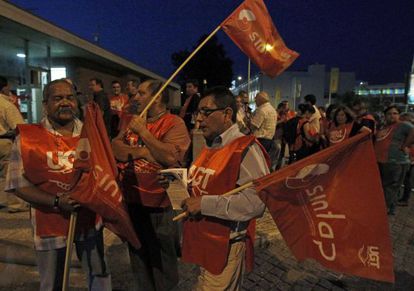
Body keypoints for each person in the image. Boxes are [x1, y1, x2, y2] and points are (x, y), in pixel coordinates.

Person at [5, 79, 111, 290]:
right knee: (52, 283)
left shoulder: (92, 134)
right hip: (48, 224)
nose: (65, 103)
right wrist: (56, 201)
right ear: (45, 104)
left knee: (99, 276)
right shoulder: (28, 138)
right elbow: (17, 184)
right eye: (57, 98)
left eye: (70, 98)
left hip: (89, 222)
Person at [176, 86, 269, 290]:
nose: (199, 119)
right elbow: (207, 184)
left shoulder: (245, 148)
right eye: (197, 112)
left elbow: (257, 202)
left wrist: (204, 204)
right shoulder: (212, 146)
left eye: (205, 112)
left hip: (225, 246)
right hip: (205, 241)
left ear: (227, 114)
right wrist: (177, 184)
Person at [112, 79, 190, 291]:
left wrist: (144, 134)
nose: (135, 97)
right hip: (132, 200)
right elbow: (115, 148)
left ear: (157, 97)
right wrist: (146, 152)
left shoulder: (174, 123)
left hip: (160, 203)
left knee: (163, 260)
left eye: (142, 93)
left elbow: (170, 158)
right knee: (139, 257)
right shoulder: (132, 120)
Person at [374, 105, 414, 215]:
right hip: (382, 161)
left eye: (395, 113)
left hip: (395, 161)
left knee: (390, 187)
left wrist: (406, 145)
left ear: (399, 115)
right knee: (387, 187)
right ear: (385, 116)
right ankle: (390, 209)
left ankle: (384, 210)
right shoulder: (384, 127)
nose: (392, 115)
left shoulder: (402, 125)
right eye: (389, 113)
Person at [0, 75, 27, 212]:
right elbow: (18, 127)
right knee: (9, 173)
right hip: (4, 141)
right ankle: (15, 204)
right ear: (4, 87)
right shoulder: (5, 105)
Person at [398, 112, 414, 207]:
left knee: (406, 178)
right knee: (405, 178)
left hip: (409, 155)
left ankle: (405, 199)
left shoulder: (409, 127)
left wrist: (404, 145)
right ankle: (404, 198)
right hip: (408, 154)